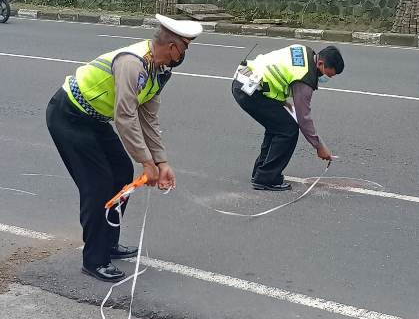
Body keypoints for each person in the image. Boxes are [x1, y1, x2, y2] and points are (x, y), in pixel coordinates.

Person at [46, 15, 203, 282]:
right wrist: (147, 162)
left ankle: (108, 242)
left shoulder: (159, 71)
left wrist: (161, 162)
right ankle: (95, 259)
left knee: (121, 173)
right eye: (185, 47)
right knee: (98, 187)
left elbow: (148, 117)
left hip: (94, 119)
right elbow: (125, 116)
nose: (185, 53)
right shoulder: (133, 63)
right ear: (173, 46)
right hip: (69, 115)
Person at [232, 44, 344, 191]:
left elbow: (276, 70)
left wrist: (282, 102)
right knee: (287, 129)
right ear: (321, 63)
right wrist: (319, 146)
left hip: (246, 79)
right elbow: (304, 118)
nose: (326, 78)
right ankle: (266, 178)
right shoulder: (305, 78)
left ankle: (261, 173)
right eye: (328, 75)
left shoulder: (304, 50)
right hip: (250, 91)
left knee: (277, 126)